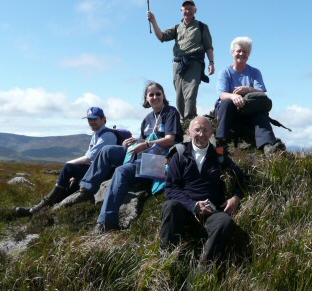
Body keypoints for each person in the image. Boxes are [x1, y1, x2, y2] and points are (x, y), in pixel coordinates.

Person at [69, 81, 184, 234]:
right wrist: (129, 143)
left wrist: (146, 144)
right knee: (108, 150)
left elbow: (170, 139)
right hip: (144, 154)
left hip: (159, 160)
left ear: (163, 96)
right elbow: (143, 141)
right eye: (151, 94)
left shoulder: (170, 112)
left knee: (122, 171)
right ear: (146, 99)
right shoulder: (148, 119)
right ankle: (87, 190)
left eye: (158, 94)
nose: (155, 97)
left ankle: (107, 222)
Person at [159, 116, 248, 263]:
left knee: (225, 222)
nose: (201, 134)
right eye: (197, 130)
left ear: (211, 132)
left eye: (205, 130)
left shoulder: (219, 156)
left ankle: (205, 266)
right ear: (189, 132)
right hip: (185, 209)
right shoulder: (180, 155)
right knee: (170, 206)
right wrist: (193, 206)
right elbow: (171, 188)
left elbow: (242, 178)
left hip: (213, 211)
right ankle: (167, 258)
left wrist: (236, 197)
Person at [15, 107, 118, 216]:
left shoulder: (107, 136)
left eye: (94, 119)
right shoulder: (97, 134)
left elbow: (89, 158)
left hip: (103, 172)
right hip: (95, 169)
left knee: (69, 168)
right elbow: (89, 157)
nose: (91, 122)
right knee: (71, 184)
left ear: (103, 119)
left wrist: (69, 164)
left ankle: (41, 207)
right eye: (89, 120)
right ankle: (45, 209)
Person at [147, 0, 215, 124]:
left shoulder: (201, 27)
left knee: (191, 92)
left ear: (195, 10)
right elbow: (161, 36)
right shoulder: (177, 28)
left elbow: (208, 46)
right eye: (185, 9)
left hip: (194, 62)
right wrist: (153, 21)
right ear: (181, 11)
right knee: (179, 96)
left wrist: (211, 63)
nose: (188, 11)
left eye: (190, 8)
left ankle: (190, 120)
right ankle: (183, 121)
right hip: (178, 64)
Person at [215, 36, 285, 155]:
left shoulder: (254, 72)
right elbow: (222, 94)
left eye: (245, 52)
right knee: (227, 102)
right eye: (238, 51)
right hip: (229, 112)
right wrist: (233, 96)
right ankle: (221, 142)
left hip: (248, 112)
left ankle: (268, 146)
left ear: (249, 55)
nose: (241, 54)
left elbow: (261, 93)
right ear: (232, 52)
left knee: (261, 116)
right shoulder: (225, 72)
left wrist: (248, 89)